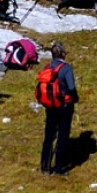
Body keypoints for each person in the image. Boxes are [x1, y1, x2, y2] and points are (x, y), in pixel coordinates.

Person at [40, 41, 78, 176]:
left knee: (49, 135)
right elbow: (71, 87)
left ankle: (45, 166)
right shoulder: (66, 68)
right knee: (63, 135)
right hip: (64, 105)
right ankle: (59, 167)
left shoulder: (47, 67)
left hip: (50, 105)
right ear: (62, 54)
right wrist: (75, 98)